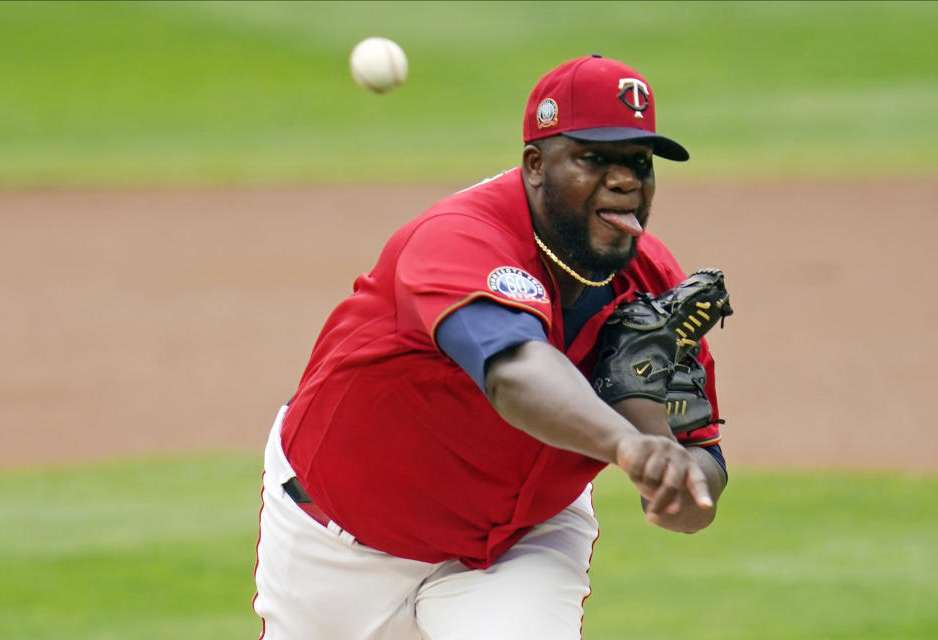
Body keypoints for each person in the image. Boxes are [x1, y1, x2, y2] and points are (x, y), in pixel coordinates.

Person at [253, 54, 728, 640]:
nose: (625, 180)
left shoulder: (653, 287)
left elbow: (699, 478)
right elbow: (513, 372)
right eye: (594, 158)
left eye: (638, 163)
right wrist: (625, 445)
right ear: (535, 165)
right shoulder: (460, 237)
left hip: (522, 542)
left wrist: (672, 471)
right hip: (340, 538)